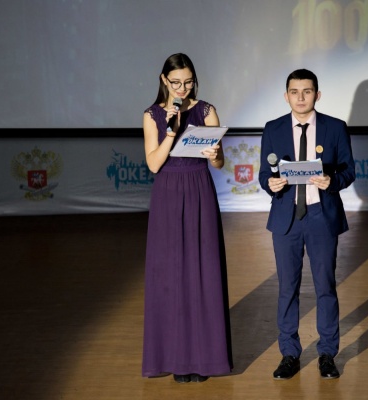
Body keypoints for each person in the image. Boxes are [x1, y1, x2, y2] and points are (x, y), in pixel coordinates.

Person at [141, 53, 233, 383]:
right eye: (176, 82)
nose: (183, 88)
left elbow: (219, 163)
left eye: (189, 82)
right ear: (164, 80)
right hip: (167, 193)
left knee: (202, 271)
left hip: (198, 189)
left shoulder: (206, 110)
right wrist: (171, 131)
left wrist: (216, 154)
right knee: (170, 274)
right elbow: (154, 164)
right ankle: (176, 358)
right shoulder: (151, 115)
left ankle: (204, 358)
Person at [258, 69, 355, 380]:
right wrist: (270, 184)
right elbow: (264, 174)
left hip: (320, 216)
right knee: (287, 288)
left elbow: (349, 171)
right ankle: (289, 354)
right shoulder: (272, 129)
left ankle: (327, 353)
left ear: (318, 94)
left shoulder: (335, 128)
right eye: (294, 92)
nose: (300, 97)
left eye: (307, 91)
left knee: (325, 286)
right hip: (286, 219)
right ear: (286, 96)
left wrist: (332, 181)